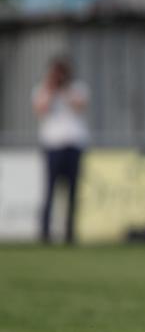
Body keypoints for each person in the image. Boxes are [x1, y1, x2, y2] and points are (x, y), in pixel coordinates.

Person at [31, 56, 90, 244]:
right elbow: (41, 110)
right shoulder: (42, 89)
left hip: (74, 144)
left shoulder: (77, 88)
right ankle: (45, 232)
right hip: (53, 146)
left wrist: (64, 90)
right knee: (50, 190)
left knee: (72, 191)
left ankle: (69, 233)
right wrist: (51, 89)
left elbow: (80, 106)